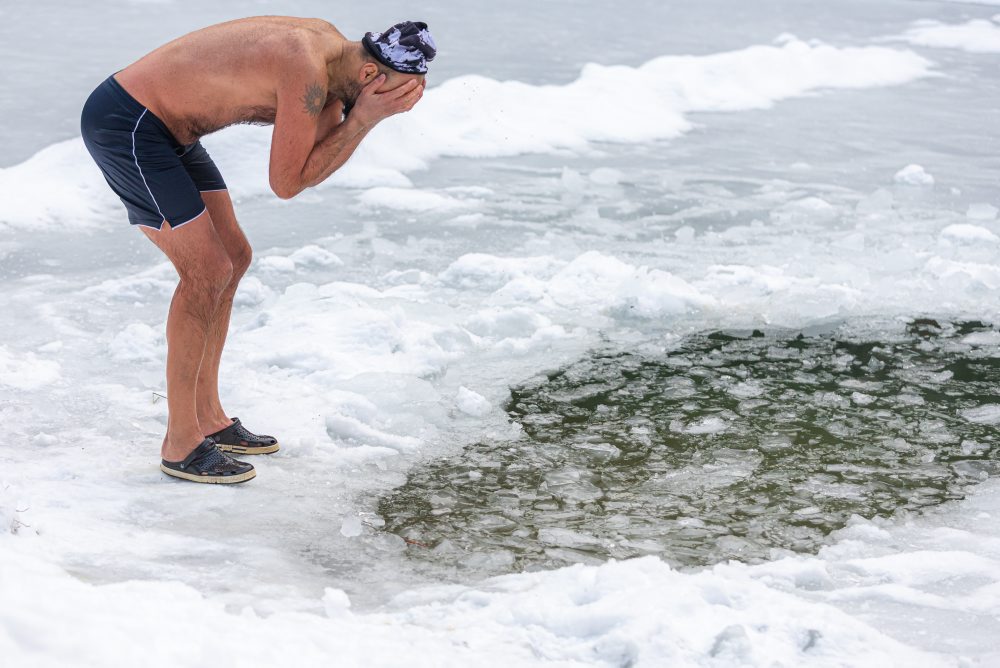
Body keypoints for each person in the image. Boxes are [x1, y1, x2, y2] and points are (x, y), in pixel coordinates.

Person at [80, 18, 435, 484]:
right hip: (128, 123)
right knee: (206, 269)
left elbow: (315, 159)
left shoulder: (338, 76)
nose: (400, 107)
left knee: (234, 256)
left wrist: (358, 118)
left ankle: (209, 417)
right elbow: (286, 183)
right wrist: (365, 120)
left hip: (171, 132)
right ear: (372, 77)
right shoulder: (305, 65)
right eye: (399, 97)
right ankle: (180, 442)